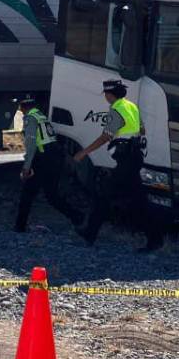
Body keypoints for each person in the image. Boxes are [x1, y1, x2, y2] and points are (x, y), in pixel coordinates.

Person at [73, 79, 162, 252]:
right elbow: (142, 130)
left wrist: (83, 152)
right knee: (136, 201)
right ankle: (155, 239)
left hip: (126, 160)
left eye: (106, 94)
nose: (105, 97)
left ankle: (90, 233)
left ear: (109, 94)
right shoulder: (131, 106)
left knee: (107, 196)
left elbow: (106, 136)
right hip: (134, 157)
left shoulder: (116, 110)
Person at [14, 96, 83, 234]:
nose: (21, 112)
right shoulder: (41, 116)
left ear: (24, 108)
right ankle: (77, 217)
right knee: (52, 195)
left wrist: (27, 166)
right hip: (54, 157)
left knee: (28, 193)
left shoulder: (30, 118)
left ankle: (20, 226)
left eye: (20, 109)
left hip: (42, 158)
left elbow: (31, 144)